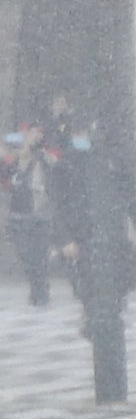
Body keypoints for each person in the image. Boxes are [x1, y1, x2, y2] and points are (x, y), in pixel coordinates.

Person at [58, 117, 136, 403]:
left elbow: (127, 194)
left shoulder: (109, 163)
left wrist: (135, 217)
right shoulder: (68, 166)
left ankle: (114, 388)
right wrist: (66, 238)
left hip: (111, 248)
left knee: (110, 313)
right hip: (87, 246)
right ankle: (108, 385)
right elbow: (60, 206)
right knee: (97, 306)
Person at [7, 131, 55, 306]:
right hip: (18, 217)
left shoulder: (42, 162)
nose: (20, 149)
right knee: (26, 255)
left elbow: (54, 173)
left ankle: (40, 290)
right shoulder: (13, 166)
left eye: (24, 145)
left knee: (39, 255)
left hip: (38, 216)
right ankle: (37, 286)